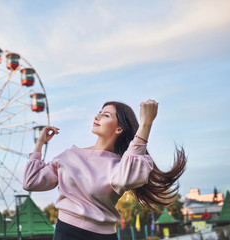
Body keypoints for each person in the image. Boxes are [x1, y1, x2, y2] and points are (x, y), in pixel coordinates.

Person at [23, 100, 186, 240]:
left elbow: (127, 176)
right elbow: (30, 182)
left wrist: (146, 124)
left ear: (118, 129)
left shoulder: (121, 165)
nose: (97, 116)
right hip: (68, 233)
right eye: (99, 113)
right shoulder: (68, 157)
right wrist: (39, 144)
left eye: (106, 115)